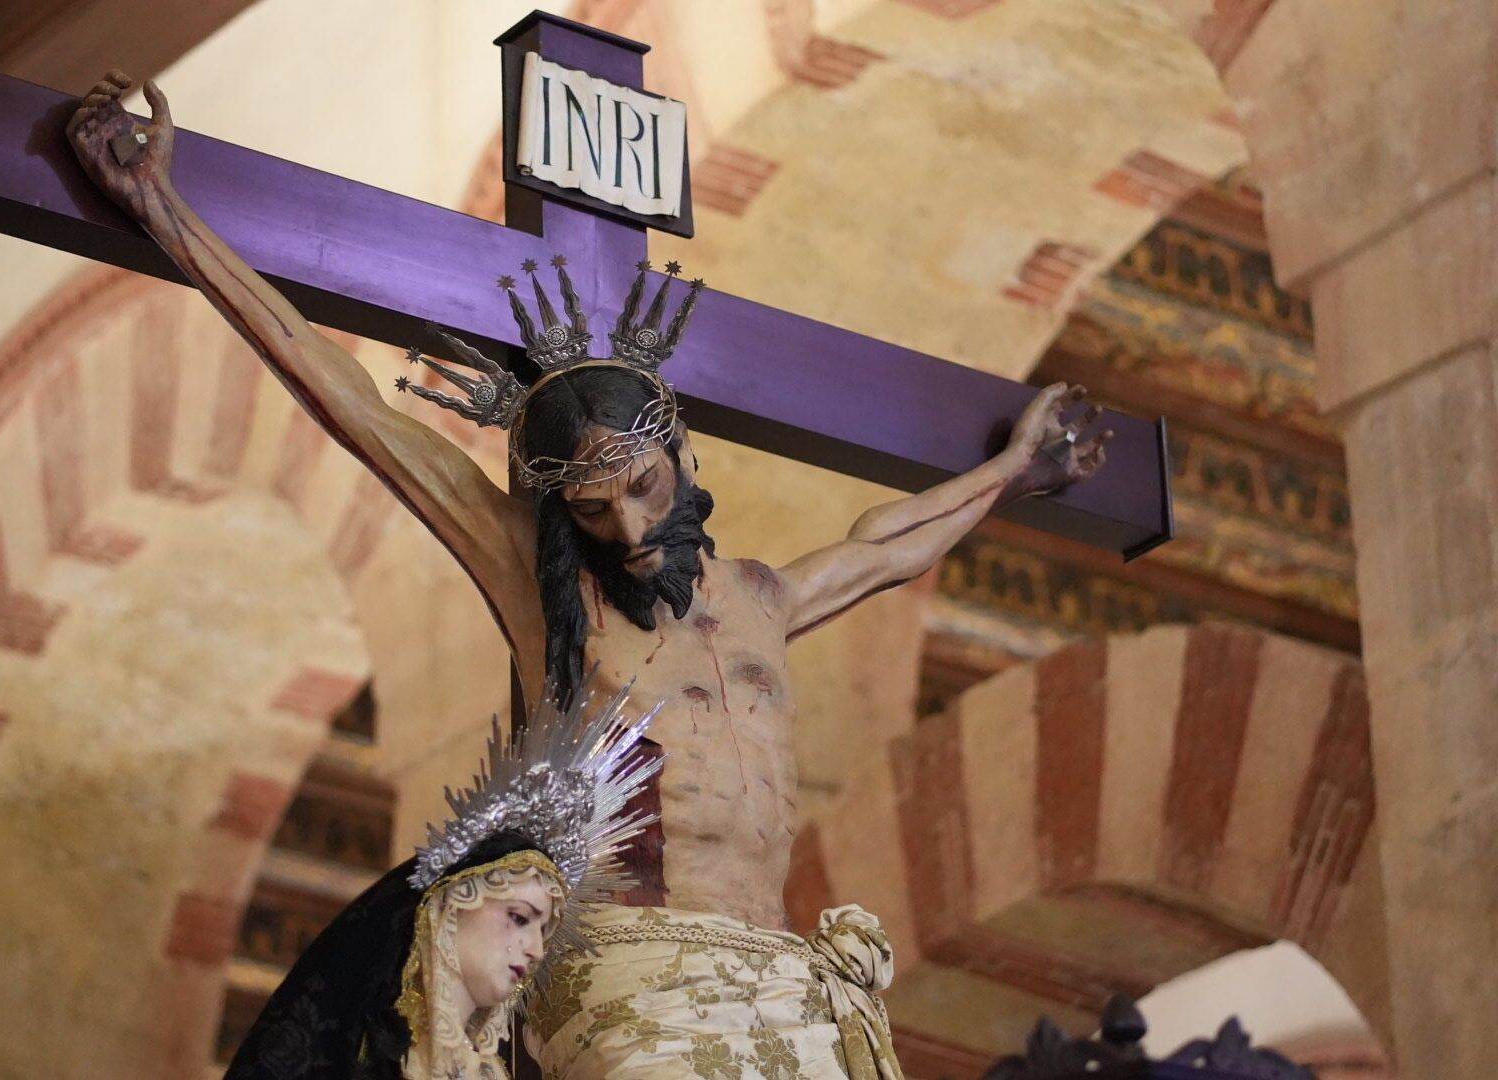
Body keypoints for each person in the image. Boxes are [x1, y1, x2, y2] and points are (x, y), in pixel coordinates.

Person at [68, 71, 1109, 1080]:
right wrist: (165, 212)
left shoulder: (760, 598)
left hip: (784, 980)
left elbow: (892, 544)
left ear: (678, 452)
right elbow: (349, 402)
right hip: (630, 979)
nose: (627, 524)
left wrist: (1020, 469)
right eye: (590, 506)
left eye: (643, 486)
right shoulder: (537, 581)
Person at [223, 681, 663, 1080]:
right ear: (452, 907)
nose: (534, 950)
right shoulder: (372, 1055)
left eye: (544, 932)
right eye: (519, 917)